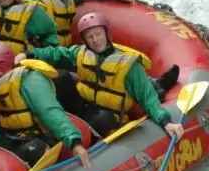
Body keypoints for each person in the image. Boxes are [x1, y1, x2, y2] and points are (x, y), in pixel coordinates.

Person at [18, 12, 183, 140]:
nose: (95, 40)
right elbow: (56, 53)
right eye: (90, 37)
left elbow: (148, 99)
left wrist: (166, 122)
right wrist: (29, 54)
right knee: (61, 77)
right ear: (85, 40)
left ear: (106, 34)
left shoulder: (129, 64)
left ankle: (159, 87)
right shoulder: (80, 53)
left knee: (101, 120)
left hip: (111, 115)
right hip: (84, 107)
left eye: (98, 34)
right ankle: (55, 129)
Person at [0, 42, 92, 168]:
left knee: (32, 150)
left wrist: (74, 143)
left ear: (0, 65)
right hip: (16, 135)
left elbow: (50, 111)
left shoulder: (29, 80)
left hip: (40, 138)